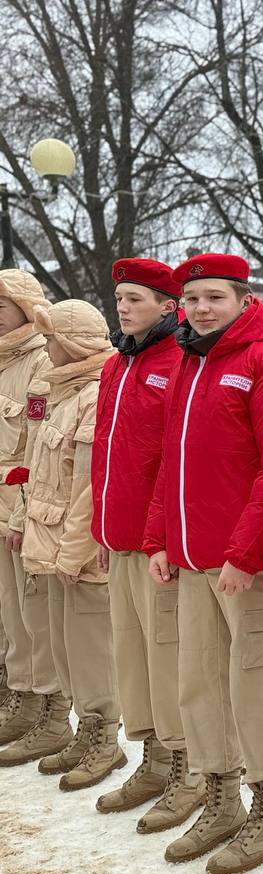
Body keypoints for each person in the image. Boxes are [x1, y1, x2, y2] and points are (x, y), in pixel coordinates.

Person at [143, 253, 263, 874]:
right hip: (190, 558)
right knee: (200, 681)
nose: (203, 308)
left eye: (217, 296)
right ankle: (221, 796)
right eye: (195, 297)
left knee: (256, 682)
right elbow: (170, 461)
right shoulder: (190, 360)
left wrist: (245, 551)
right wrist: (160, 538)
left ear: (243, 300)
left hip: (245, 567)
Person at [92, 258, 203, 832]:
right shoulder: (118, 365)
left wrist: (159, 535)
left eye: (136, 298)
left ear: (168, 306)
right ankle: (154, 757)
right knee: (131, 658)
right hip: (121, 538)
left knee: (168, 660)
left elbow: (171, 462)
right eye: (120, 299)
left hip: (157, 542)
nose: (124, 307)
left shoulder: (177, 361)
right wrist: (103, 531)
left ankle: (188, 767)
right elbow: (104, 455)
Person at [0, 300, 122, 793]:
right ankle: (72, 726)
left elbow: (89, 490)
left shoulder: (94, 394)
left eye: (52, 341)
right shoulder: (63, 391)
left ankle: (103, 738)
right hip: (45, 542)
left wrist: (74, 552)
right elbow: (38, 471)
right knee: (62, 644)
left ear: (72, 342)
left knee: (91, 651)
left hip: (76, 554)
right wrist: (24, 521)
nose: (45, 350)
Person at [0, 269, 53, 750]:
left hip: (20, 511)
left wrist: (23, 514)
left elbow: (38, 448)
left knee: (29, 614)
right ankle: (12, 692)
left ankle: (38, 705)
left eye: (1, 306)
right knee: (4, 613)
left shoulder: (41, 363)